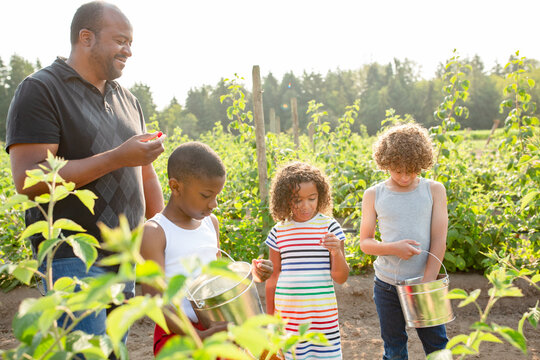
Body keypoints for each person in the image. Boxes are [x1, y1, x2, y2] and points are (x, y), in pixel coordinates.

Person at [4, 0, 165, 343]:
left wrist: (168, 234)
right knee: (85, 352)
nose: (129, 51)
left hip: (123, 259)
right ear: (86, 37)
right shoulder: (42, 89)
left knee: (110, 351)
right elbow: (29, 178)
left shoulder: (128, 100)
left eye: (131, 42)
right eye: (121, 40)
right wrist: (118, 157)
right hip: (71, 257)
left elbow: (145, 175)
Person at [139, 141, 274, 357]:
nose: (214, 204)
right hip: (179, 335)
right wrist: (197, 337)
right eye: (206, 195)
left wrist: (251, 275)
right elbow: (154, 301)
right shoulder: (155, 232)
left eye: (217, 196)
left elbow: (217, 281)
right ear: (175, 187)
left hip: (215, 327)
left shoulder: (211, 223)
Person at [359, 122, 449, 359]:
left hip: (424, 282)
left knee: (437, 345)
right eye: (397, 170)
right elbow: (365, 243)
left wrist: (426, 284)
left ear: (422, 163)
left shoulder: (434, 190)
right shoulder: (374, 194)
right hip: (387, 285)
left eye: (412, 170)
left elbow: (440, 240)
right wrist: (393, 248)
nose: (405, 176)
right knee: (394, 347)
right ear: (385, 163)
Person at [264, 161, 349, 360]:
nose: (305, 206)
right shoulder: (279, 231)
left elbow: (341, 277)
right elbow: (273, 277)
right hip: (288, 317)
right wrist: (270, 320)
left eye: (312, 198)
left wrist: (336, 252)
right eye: (297, 200)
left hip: (322, 318)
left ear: (321, 196)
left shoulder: (330, 228)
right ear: (285, 199)